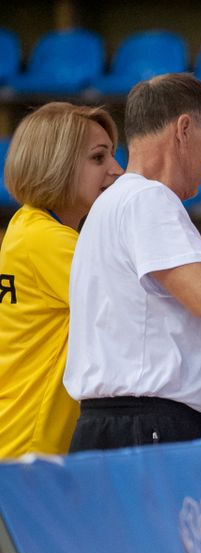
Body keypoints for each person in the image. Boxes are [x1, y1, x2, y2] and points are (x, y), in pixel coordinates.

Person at [63, 73, 201, 452]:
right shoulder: (148, 200)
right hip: (148, 429)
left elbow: (150, 349)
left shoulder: (112, 205)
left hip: (125, 426)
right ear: (183, 129)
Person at [0, 102, 123, 458]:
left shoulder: (27, 228)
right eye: (99, 159)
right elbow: (147, 295)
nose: (117, 170)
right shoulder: (48, 241)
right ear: (58, 163)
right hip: (28, 452)